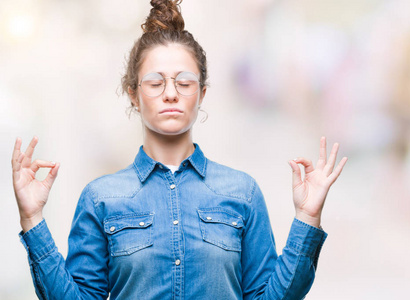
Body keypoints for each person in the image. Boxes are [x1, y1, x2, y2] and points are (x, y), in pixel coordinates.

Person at [11, 1, 347, 299]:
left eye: (184, 82)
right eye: (156, 82)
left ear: (201, 93)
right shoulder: (100, 198)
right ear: (133, 94)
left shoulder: (242, 192)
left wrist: (308, 217)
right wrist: (32, 218)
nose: (170, 93)